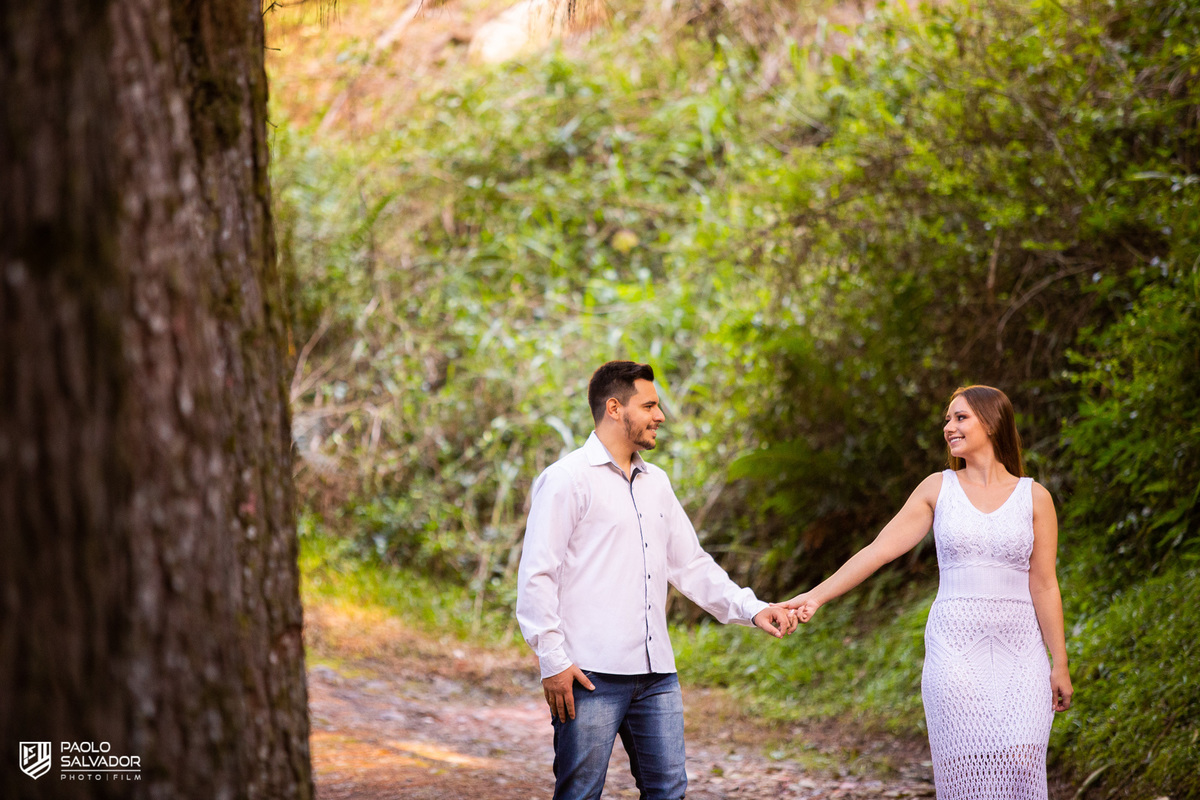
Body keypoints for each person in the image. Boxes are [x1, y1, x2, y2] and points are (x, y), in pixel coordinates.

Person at [516, 360, 797, 800]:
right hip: (589, 674)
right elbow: (537, 575)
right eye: (649, 405)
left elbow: (691, 565)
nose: (660, 416)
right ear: (614, 408)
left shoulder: (657, 483)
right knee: (580, 793)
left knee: (668, 791)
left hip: (656, 675)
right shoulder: (566, 480)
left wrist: (754, 608)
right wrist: (552, 659)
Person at [782, 385, 1073, 800]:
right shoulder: (938, 489)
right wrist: (815, 596)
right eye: (947, 419)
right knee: (967, 774)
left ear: (991, 423)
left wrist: (1058, 662)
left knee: (1021, 765)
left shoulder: (1035, 497)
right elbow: (879, 550)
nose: (948, 427)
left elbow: (1044, 583)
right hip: (954, 652)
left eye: (960, 418)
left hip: (1022, 652)